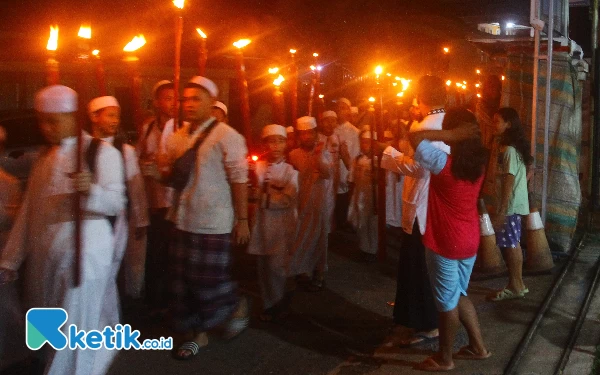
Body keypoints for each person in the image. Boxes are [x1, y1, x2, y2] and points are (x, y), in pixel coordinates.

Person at [0, 85, 126, 374]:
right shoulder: (45, 158)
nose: (46, 128)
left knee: (75, 327)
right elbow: (29, 212)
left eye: (53, 121)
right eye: (42, 121)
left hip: (83, 256)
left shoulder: (102, 153)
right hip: (45, 256)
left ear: (72, 117)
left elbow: (116, 203)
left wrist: (90, 191)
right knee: (48, 322)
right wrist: (10, 259)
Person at [159, 76, 250, 359]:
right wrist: (158, 174)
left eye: (196, 99)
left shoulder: (228, 136)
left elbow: (239, 179)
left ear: (212, 103)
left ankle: (236, 305)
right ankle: (197, 335)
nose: (188, 104)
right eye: (185, 99)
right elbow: (174, 179)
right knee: (183, 282)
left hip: (213, 221)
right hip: (182, 219)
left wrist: (243, 219)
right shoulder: (177, 137)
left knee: (208, 281)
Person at [405, 108, 491, 372]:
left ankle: (445, 358)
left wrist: (450, 133)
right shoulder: (480, 165)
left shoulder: (444, 164)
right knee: (459, 294)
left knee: (446, 305)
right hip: (469, 240)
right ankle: (478, 348)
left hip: (445, 242)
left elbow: (413, 136)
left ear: (457, 134)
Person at [380, 76, 450, 346]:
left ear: (421, 97)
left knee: (421, 268)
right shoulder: (444, 121)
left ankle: (428, 323)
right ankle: (413, 317)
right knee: (417, 266)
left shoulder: (429, 126)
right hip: (430, 205)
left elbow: (420, 167)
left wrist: (389, 155)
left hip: (424, 207)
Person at [88, 96, 149, 300]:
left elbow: (135, 187)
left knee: (112, 266)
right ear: (94, 117)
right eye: (110, 116)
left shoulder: (125, 151)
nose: (115, 121)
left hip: (117, 219)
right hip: (90, 220)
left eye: (117, 116)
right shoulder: (84, 147)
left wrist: (141, 219)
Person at [247, 124, 298, 322]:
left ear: (285, 144)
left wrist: (262, 197)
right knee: (264, 266)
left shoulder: (291, 171)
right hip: (262, 224)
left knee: (278, 267)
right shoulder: (256, 166)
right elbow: (250, 192)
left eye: (280, 141)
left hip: (282, 225)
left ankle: (279, 304)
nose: (275, 146)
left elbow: (287, 199)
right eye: (271, 141)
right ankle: (270, 303)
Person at [137, 80, 176, 313]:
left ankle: (171, 303)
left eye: (175, 98)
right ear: (157, 102)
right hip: (154, 200)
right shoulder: (148, 127)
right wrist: (145, 162)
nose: (173, 103)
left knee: (172, 255)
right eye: (168, 98)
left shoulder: (183, 127)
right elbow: (140, 154)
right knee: (155, 254)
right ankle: (154, 303)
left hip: (174, 201)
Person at [488, 107, 532, 301]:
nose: (493, 124)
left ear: (509, 124)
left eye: (497, 121)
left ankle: (516, 285)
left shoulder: (509, 150)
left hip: (511, 205)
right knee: (512, 242)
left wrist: (502, 209)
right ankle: (518, 284)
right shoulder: (510, 148)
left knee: (511, 244)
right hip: (513, 203)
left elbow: (509, 178)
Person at [288, 116, 334, 292]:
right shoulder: (293, 155)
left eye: (310, 133)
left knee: (320, 238)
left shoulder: (324, 151)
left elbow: (328, 173)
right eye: (303, 134)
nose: (307, 137)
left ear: (315, 133)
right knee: (301, 236)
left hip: (319, 203)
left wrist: (318, 157)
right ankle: (302, 270)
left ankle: (319, 272)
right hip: (300, 203)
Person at [348, 128, 378, 262]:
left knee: (372, 224)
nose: (365, 145)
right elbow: (352, 179)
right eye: (363, 142)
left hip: (372, 198)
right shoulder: (357, 159)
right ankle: (363, 248)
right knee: (361, 222)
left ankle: (373, 250)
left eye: (368, 142)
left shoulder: (377, 161)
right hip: (359, 195)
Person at [333, 100, 360, 232]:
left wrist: (351, 174)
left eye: (343, 108)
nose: (340, 110)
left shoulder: (354, 131)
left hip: (345, 173)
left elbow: (355, 155)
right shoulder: (332, 129)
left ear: (348, 111)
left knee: (343, 202)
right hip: (332, 172)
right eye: (338, 107)